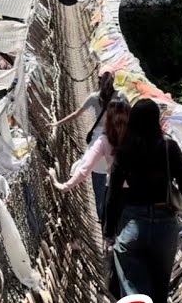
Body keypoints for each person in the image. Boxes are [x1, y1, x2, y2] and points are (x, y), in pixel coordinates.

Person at [104, 99, 182, 303]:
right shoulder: (169, 146)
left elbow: (113, 192)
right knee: (160, 288)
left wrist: (109, 232)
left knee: (132, 287)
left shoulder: (125, 148)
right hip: (165, 224)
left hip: (133, 223)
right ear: (157, 119)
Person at [55, 72, 128, 223]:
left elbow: (76, 114)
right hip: (118, 141)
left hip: (98, 140)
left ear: (98, 81)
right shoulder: (121, 96)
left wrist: (57, 123)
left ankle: (102, 216)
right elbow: (131, 116)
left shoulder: (95, 97)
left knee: (97, 180)